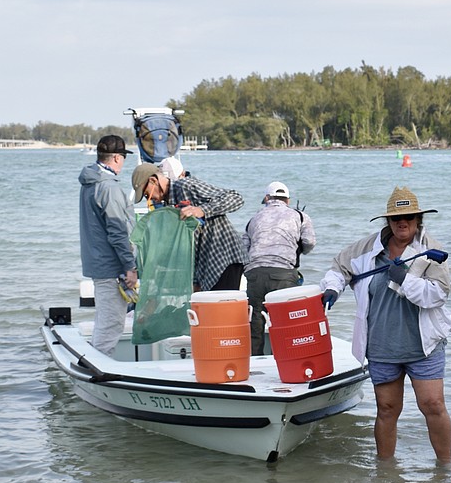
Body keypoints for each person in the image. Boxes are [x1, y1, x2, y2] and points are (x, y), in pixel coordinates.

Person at [320, 186, 451, 462]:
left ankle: (445, 470)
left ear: (419, 219)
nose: (402, 223)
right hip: (382, 346)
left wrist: (405, 279)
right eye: (395, 218)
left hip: (423, 345)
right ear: (388, 222)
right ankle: (385, 474)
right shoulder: (367, 248)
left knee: (433, 405)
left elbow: (438, 294)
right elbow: (339, 268)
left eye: (409, 217)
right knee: (387, 408)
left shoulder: (431, 251)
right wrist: (332, 289)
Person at [130, 163, 248, 291]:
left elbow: (235, 198)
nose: (151, 199)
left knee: (222, 306)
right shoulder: (168, 206)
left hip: (224, 258)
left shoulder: (186, 186)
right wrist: (195, 281)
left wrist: (202, 210)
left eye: (147, 195)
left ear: (154, 181)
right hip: (205, 266)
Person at [242, 181, 317, 355]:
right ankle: (287, 358)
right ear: (288, 200)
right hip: (283, 273)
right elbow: (310, 242)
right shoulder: (300, 216)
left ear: (267, 198)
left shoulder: (254, 218)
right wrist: (299, 251)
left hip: (255, 273)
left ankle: (255, 361)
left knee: (255, 320)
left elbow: (244, 246)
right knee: (286, 320)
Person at [78, 135, 137, 356]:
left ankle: (94, 362)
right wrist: (129, 267)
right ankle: (99, 372)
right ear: (115, 158)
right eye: (122, 157)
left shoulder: (90, 182)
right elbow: (117, 231)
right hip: (112, 267)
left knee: (105, 319)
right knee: (112, 323)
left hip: (98, 262)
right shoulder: (108, 187)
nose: (123, 161)